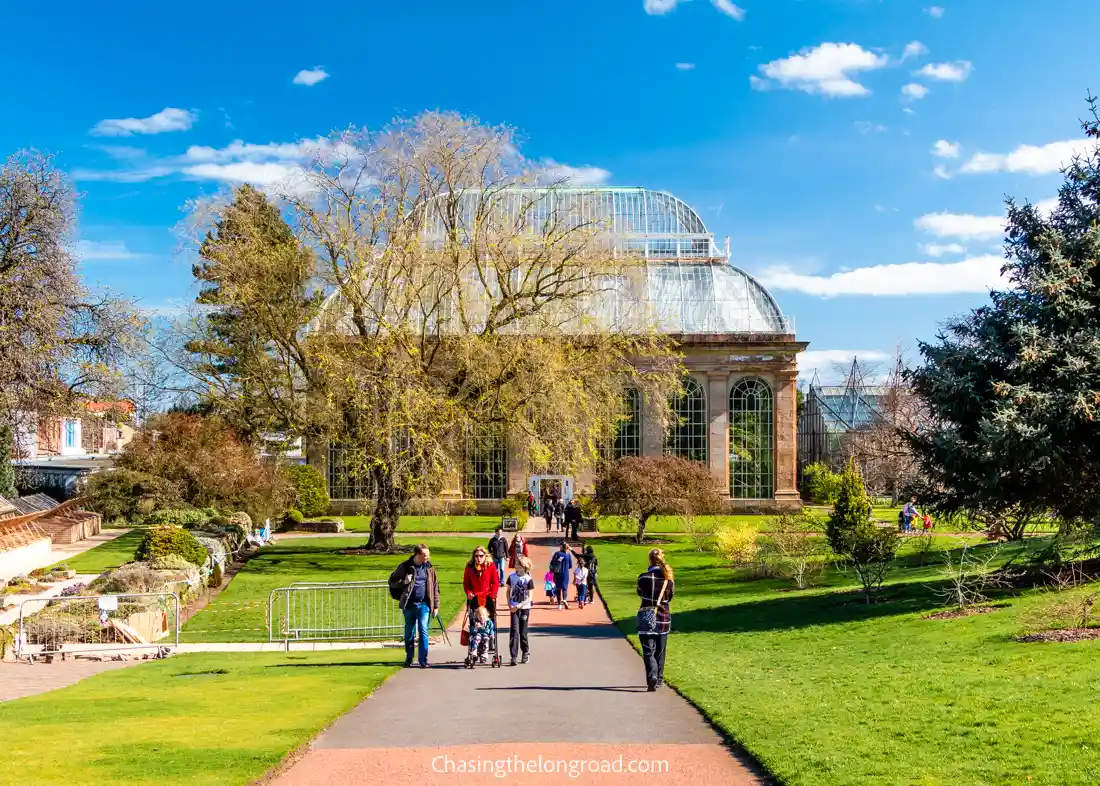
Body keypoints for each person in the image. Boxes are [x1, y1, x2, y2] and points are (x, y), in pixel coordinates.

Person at [388, 544, 440, 669]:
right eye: (424, 555)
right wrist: (405, 581)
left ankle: (423, 660)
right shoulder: (405, 567)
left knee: (423, 630)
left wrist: (436, 605)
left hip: (424, 605)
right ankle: (409, 657)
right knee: (409, 633)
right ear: (417, 554)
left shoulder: (429, 568)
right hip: (409, 604)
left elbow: (435, 587)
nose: (427, 557)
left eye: (428, 555)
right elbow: (392, 582)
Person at [636, 548, 675, 692]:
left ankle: (651, 677)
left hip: (646, 617)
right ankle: (658, 678)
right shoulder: (668, 580)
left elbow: (640, 592)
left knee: (648, 651)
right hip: (663, 619)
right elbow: (670, 597)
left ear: (650, 560)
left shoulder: (643, 578)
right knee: (660, 650)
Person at [506, 555, 534, 665]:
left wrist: (520, 605)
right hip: (514, 607)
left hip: (524, 608)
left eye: (519, 564)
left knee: (523, 632)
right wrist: (509, 603)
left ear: (525, 567)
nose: (516, 566)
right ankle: (513, 656)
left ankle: (525, 652)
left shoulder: (528, 579)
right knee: (514, 632)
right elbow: (508, 591)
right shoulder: (512, 577)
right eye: (516, 564)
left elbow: (529, 597)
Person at [463, 546, 500, 624]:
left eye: (481, 556)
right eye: (476, 556)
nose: (478, 558)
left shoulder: (491, 566)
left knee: (489, 619)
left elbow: (495, 582)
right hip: (474, 597)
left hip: (487, 597)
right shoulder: (470, 566)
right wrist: (469, 592)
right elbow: (466, 583)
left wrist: (493, 595)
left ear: (485, 556)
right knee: (474, 620)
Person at [550, 541, 574, 609]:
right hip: (565, 574)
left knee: (558, 589)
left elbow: (552, 563)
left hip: (557, 573)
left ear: (561, 547)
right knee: (564, 588)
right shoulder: (568, 555)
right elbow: (570, 566)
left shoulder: (557, 553)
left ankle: (559, 605)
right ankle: (565, 599)